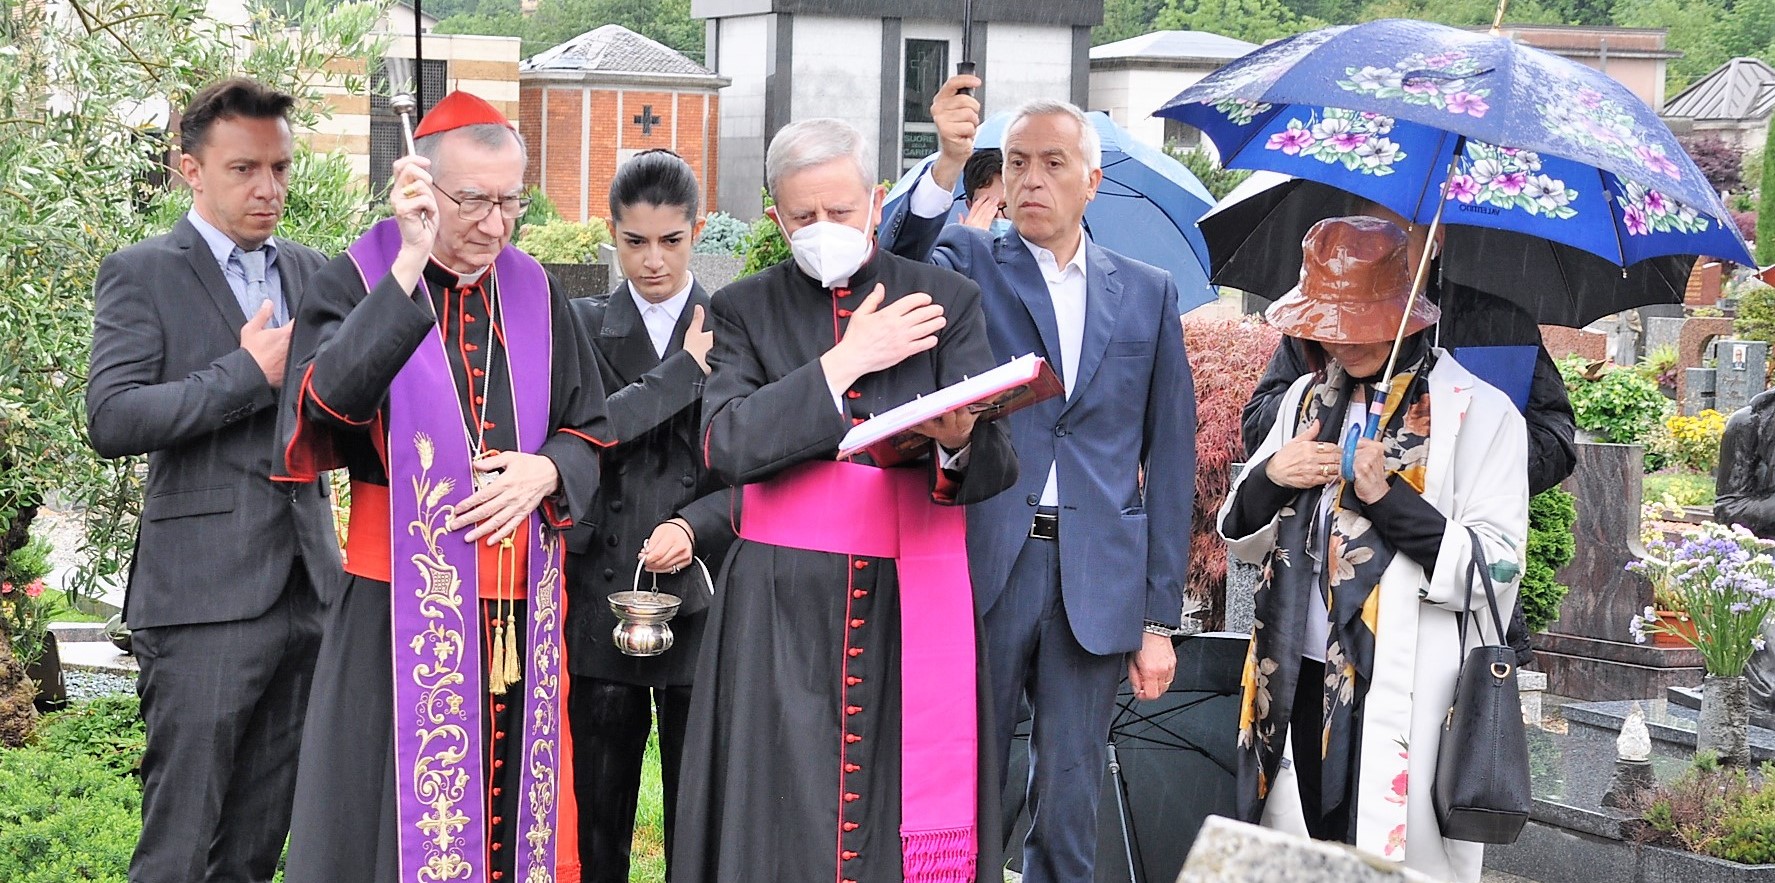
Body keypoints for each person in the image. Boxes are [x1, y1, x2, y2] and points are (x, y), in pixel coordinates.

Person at [672, 117, 1019, 883]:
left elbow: (995, 468)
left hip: (908, 598)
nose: (822, 228)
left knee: (902, 811)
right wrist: (843, 362)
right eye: (802, 217)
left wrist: (958, 438)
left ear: (876, 198)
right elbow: (727, 443)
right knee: (776, 817)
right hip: (778, 608)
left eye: (838, 210)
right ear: (775, 219)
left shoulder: (945, 299)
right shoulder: (743, 308)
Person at [277, 91, 608, 883]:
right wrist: (407, 263)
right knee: (388, 828)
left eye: (511, 203)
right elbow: (324, 409)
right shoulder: (357, 278)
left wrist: (551, 466)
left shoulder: (532, 289)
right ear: (423, 188)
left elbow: (590, 425)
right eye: (474, 202)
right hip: (399, 606)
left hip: (520, 607)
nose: (496, 226)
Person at [887, 76, 1197, 883]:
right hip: (989, 558)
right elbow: (902, 264)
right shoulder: (968, 261)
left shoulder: (1147, 293)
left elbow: (1169, 458)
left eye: (1052, 163)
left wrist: (1158, 616)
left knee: (1068, 791)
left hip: (1097, 575)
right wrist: (945, 167)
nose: (1031, 179)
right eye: (1017, 162)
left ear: (1090, 181)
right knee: (973, 785)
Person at [1218, 216, 1528, 882]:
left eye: (1359, 319)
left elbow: (1496, 564)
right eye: (1327, 321)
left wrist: (1388, 498)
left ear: (1408, 312)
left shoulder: (1479, 412)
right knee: (1292, 858)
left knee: (1388, 861)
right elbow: (1240, 530)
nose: (1341, 338)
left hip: (1406, 688)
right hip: (1291, 673)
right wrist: (1274, 475)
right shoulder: (1302, 398)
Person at [85, 77, 339, 883]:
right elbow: (112, 417)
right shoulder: (142, 272)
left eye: (281, 168)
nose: (269, 188)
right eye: (243, 169)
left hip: (311, 591)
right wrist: (245, 374)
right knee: (178, 846)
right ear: (188, 169)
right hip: (199, 602)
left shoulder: (315, 271)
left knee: (257, 848)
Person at [1238, 198, 1576, 666]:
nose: (1368, 249)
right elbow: (1262, 425)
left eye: (1388, 236)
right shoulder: (1319, 328)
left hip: (1438, 597)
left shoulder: (1497, 323)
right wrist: (1323, 447)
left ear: (1433, 240)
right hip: (1307, 617)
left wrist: (1449, 464)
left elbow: (1554, 438)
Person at [564, 148, 734, 882]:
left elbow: (757, 464)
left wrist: (696, 524)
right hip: (604, 588)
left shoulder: (737, 324)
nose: (653, 259)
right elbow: (584, 435)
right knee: (599, 810)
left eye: (670, 239)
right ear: (612, 234)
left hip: (704, 588)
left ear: (696, 231)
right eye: (635, 241)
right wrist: (680, 373)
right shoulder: (578, 323)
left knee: (697, 810)